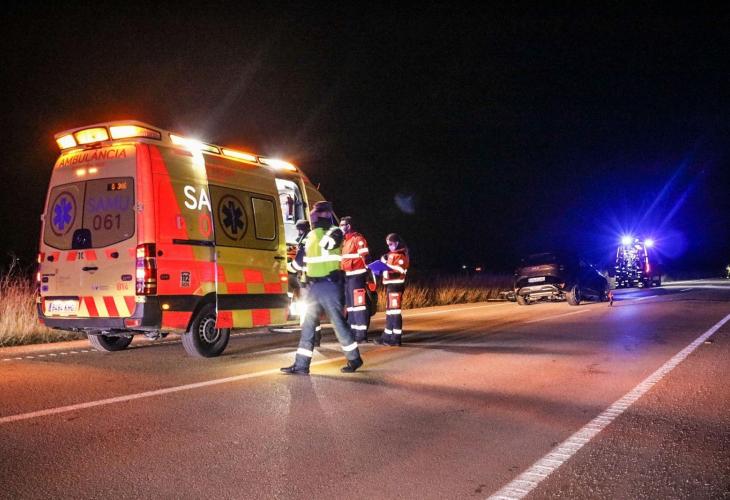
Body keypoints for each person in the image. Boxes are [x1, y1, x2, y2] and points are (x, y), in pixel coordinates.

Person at [281, 201, 364, 374]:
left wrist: (317, 232)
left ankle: (354, 358)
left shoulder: (334, 232)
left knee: (338, 323)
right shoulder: (311, 235)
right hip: (314, 286)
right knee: (308, 325)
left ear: (324, 214)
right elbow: (299, 262)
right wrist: (285, 267)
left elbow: (328, 244)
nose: (311, 214)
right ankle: (301, 365)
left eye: (315, 211)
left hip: (330, 285)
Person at [287, 219, 322, 345]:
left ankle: (311, 338)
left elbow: (298, 263)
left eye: (298, 230)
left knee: (308, 309)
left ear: (301, 229)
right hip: (314, 279)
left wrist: (287, 267)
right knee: (312, 309)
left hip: (308, 280)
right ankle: (316, 338)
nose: (297, 233)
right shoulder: (314, 238)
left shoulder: (306, 241)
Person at [339, 216, 372, 343]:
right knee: (351, 306)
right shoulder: (345, 241)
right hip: (347, 276)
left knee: (358, 305)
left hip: (357, 276)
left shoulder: (358, 239)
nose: (341, 227)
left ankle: (361, 335)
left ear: (349, 226)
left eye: (343, 225)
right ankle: (352, 332)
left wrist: (369, 271)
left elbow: (366, 257)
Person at [375, 233, 409, 346]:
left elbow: (398, 272)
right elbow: (388, 270)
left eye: (391, 244)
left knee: (395, 312)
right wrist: (380, 267)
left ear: (397, 243)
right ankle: (386, 336)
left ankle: (396, 338)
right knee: (390, 312)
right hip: (390, 286)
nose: (389, 246)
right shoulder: (391, 255)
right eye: (388, 244)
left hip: (396, 285)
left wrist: (385, 265)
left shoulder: (401, 255)